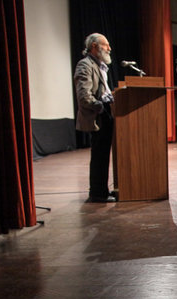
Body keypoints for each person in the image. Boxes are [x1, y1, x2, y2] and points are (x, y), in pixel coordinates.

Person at [74, 33, 116, 203]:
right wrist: (99, 106)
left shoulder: (100, 66)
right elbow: (84, 95)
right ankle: (97, 193)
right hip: (98, 115)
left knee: (103, 154)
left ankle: (102, 191)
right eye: (106, 45)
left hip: (106, 112)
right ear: (94, 46)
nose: (109, 48)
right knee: (99, 155)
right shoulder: (85, 65)